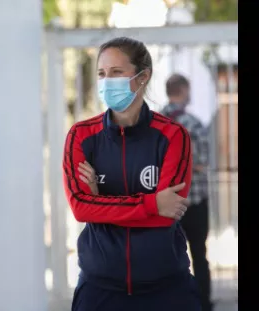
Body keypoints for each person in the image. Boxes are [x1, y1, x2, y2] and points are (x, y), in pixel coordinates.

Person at [63, 37, 198, 311]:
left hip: (166, 290)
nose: (106, 81)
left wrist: (100, 202)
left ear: (142, 77)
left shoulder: (173, 136)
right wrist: (151, 203)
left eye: (116, 72)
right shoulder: (81, 136)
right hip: (100, 290)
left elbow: (166, 215)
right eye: (102, 73)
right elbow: (80, 208)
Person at [160, 74, 213, 311]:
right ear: (183, 90)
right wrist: (189, 164)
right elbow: (203, 162)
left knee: (166, 257)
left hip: (165, 205)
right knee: (199, 255)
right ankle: (202, 304)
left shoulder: (154, 125)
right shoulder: (193, 124)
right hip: (195, 202)